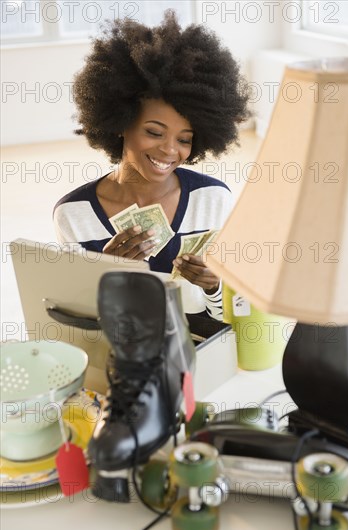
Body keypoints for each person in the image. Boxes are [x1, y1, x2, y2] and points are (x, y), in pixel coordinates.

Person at [54, 11, 250, 320]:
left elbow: (233, 314)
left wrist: (214, 287)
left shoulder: (213, 200)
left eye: (184, 139)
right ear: (119, 123)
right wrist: (107, 276)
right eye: (154, 132)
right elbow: (83, 322)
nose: (170, 150)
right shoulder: (74, 214)